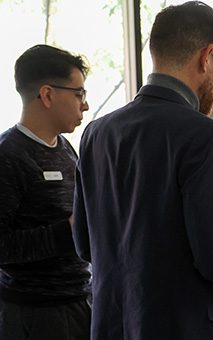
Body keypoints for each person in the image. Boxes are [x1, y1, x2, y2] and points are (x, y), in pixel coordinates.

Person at [72, 2, 213, 339]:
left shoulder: (97, 132)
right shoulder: (204, 135)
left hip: (115, 325)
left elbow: (84, 245)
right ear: (206, 57)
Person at [0, 45, 91, 339]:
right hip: (34, 314)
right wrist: (68, 232)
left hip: (79, 299)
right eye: (79, 94)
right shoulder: (8, 155)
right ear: (48, 95)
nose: (85, 105)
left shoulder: (66, 149)